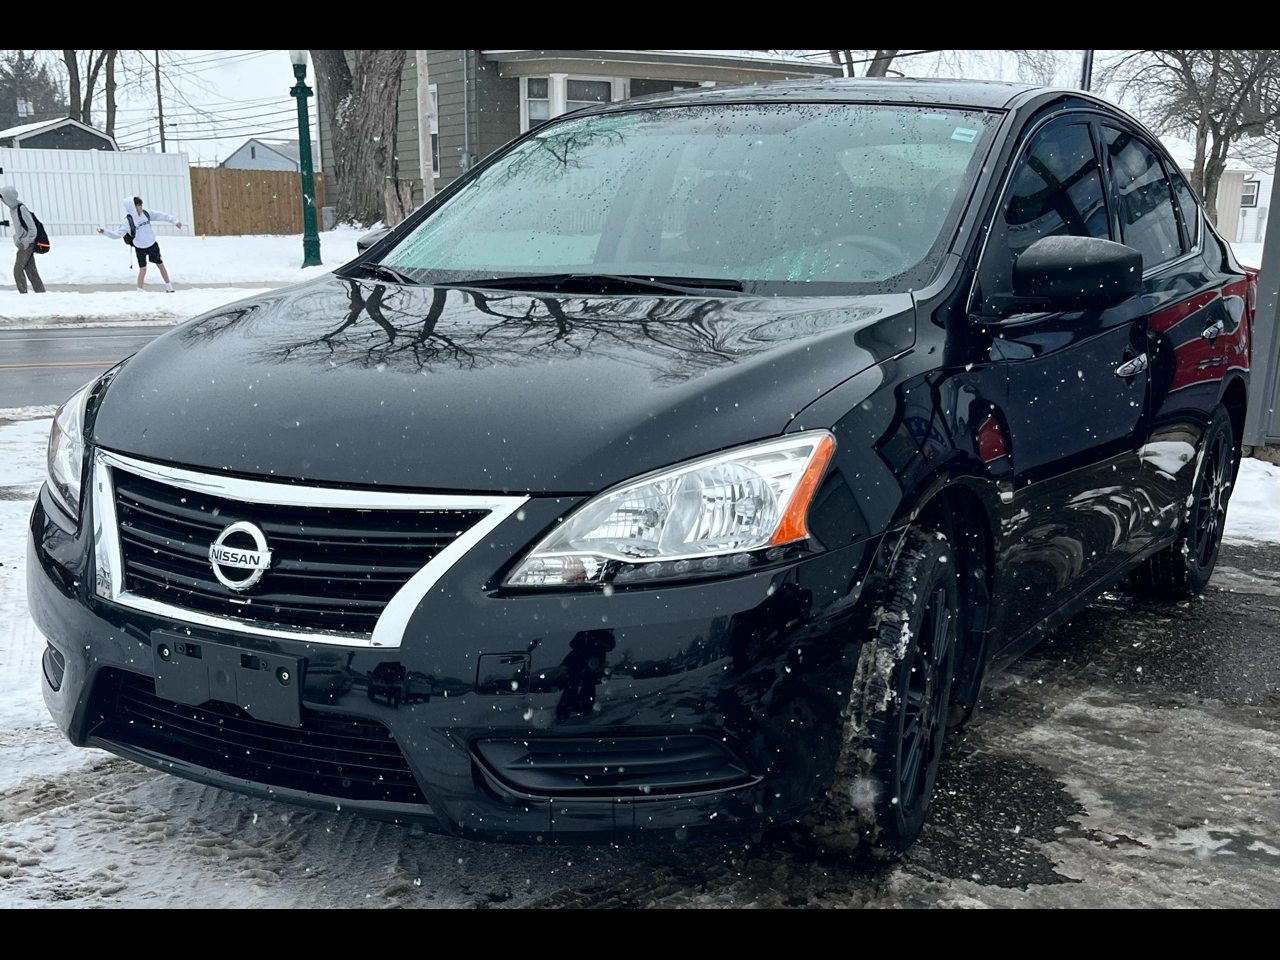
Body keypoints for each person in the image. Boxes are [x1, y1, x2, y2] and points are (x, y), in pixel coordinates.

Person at [98, 196, 182, 292]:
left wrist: (175, 221)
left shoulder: (146, 214)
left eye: (141, 205)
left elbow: (161, 215)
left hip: (152, 244)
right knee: (143, 269)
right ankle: (139, 291)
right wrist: (104, 232)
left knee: (160, 265)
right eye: (138, 205)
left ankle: (169, 287)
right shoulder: (127, 222)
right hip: (140, 248)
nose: (140, 207)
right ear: (132, 207)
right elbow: (117, 234)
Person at [0, 185, 46, 294]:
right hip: (23, 243)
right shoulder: (13, 210)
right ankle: (41, 293)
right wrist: (17, 240)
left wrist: (27, 241)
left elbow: (32, 228)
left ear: (8, 197)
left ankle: (23, 294)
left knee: (17, 270)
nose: (2, 201)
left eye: (2, 197)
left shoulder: (21, 208)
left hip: (27, 243)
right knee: (30, 269)